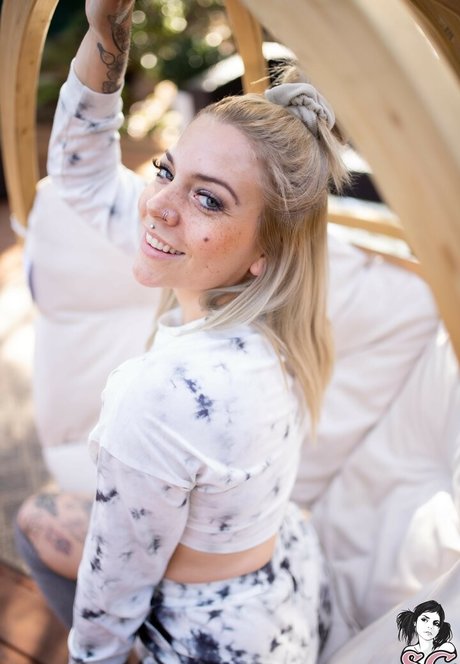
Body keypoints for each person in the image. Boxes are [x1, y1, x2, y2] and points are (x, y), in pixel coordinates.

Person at [17, 1, 349, 662]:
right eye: (167, 170)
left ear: (265, 249)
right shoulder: (276, 307)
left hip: (211, 642)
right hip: (278, 596)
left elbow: (113, 593)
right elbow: (82, 176)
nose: (158, 205)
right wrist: (108, 32)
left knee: (37, 520)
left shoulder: (156, 393)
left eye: (209, 198)